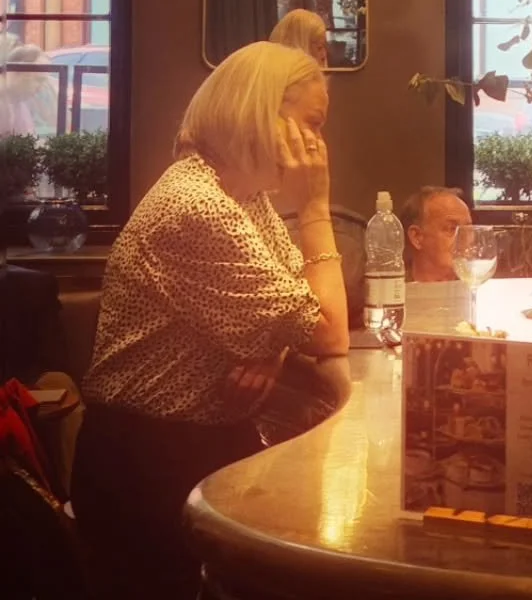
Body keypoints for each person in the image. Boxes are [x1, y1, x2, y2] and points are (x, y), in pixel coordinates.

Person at [70, 42, 348, 599]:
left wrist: (273, 350)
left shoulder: (241, 196)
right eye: (311, 125)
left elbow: (295, 308)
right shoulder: (197, 206)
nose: (318, 146)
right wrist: (315, 208)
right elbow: (327, 330)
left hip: (198, 444)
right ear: (259, 111)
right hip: (147, 462)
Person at [399, 186, 472, 282]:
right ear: (416, 237)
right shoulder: (390, 292)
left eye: (468, 229)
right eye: (451, 228)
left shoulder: (479, 288)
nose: (465, 238)